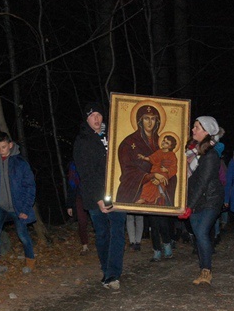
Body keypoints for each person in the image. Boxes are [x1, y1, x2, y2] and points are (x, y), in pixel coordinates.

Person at [73, 102, 126, 290]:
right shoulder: (83, 141)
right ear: (86, 119)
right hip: (95, 195)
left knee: (118, 231)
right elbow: (86, 173)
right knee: (103, 233)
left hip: (117, 193)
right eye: (92, 115)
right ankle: (106, 269)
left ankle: (112, 274)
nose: (96, 118)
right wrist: (98, 198)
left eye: (99, 114)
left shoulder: (113, 136)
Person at [179, 116, 225, 285]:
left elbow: (202, 183)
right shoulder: (191, 152)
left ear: (206, 132)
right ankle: (203, 266)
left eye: (197, 127)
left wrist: (188, 206)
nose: (193, 130)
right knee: (198, 235)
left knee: (201, 233)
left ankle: (206, 271)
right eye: (194, 126)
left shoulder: (210, 155)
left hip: (210, 200)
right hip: (195, 199)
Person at [0, 131, 36, 275]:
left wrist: (25, 209)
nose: (1, 151)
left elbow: (30, 186)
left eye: (4, 147)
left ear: (10, 145)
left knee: (23, 235)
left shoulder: (21, 164)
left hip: (17, 207)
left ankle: (30, 260)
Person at [116, 104, 176, 205]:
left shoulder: (163, 142)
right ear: (140, 121)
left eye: (153, 119)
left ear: (157, 121)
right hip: (134, 191)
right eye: (146, 118)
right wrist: (152, 176)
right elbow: (128, 171)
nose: (149, 122)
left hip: (160, 190)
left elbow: (172, 168)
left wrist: (163, 178)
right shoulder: (129, 143)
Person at [136, 134, 178, 205]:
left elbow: (174, 168)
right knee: (147, 185)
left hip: (163, 174)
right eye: (164, 141)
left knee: (154, 185)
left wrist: (167, 170)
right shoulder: (159, 152)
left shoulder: (172, 155)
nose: (163, 143)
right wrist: (143, 157)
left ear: (170, 146)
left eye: (167, 143)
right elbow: (151, 158)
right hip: (154, 173)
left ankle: (146, 199)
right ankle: (144, 198)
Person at [66, 161, 89, 255]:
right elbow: (71, 186)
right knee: (82, 221)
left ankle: (106, 243)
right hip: (79, 196)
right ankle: (85, 246)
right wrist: (69, 205)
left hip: (93, 195)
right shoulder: (73, 165)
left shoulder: (91, 161)